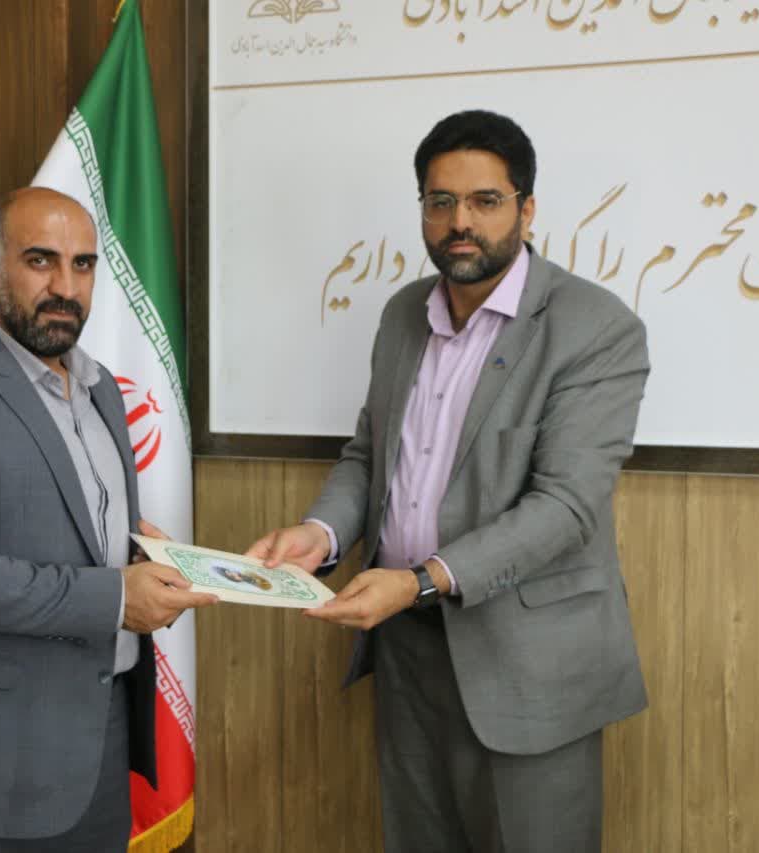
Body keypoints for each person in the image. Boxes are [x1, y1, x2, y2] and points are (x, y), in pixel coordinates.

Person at [248, 110, 650, 852]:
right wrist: (321, 533)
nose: (460, 221)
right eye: (441, 201)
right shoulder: (404, 314)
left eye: (485, 200)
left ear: (527, 208)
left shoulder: (595, 326)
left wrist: (419, 580)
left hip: (528, 664)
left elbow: (566, 507)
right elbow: (370, 455)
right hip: (406, 652)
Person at [0, 187, 217, 852]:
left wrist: (142, 557)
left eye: (83, 265)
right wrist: (118, 598)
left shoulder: (101, 389)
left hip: (100, 743)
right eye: (40, 260)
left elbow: (77, 527)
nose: (65, 287)